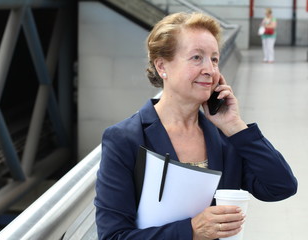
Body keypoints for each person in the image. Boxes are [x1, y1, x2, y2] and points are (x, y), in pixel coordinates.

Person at [95, 12, 297, 240]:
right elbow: (113, 236)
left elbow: (281, 186)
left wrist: (235, 126)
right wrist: (191, 230)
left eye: (214, 59)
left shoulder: (224, 137)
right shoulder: (126, 139)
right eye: (196, 58)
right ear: (162, 66)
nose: (209, 70)